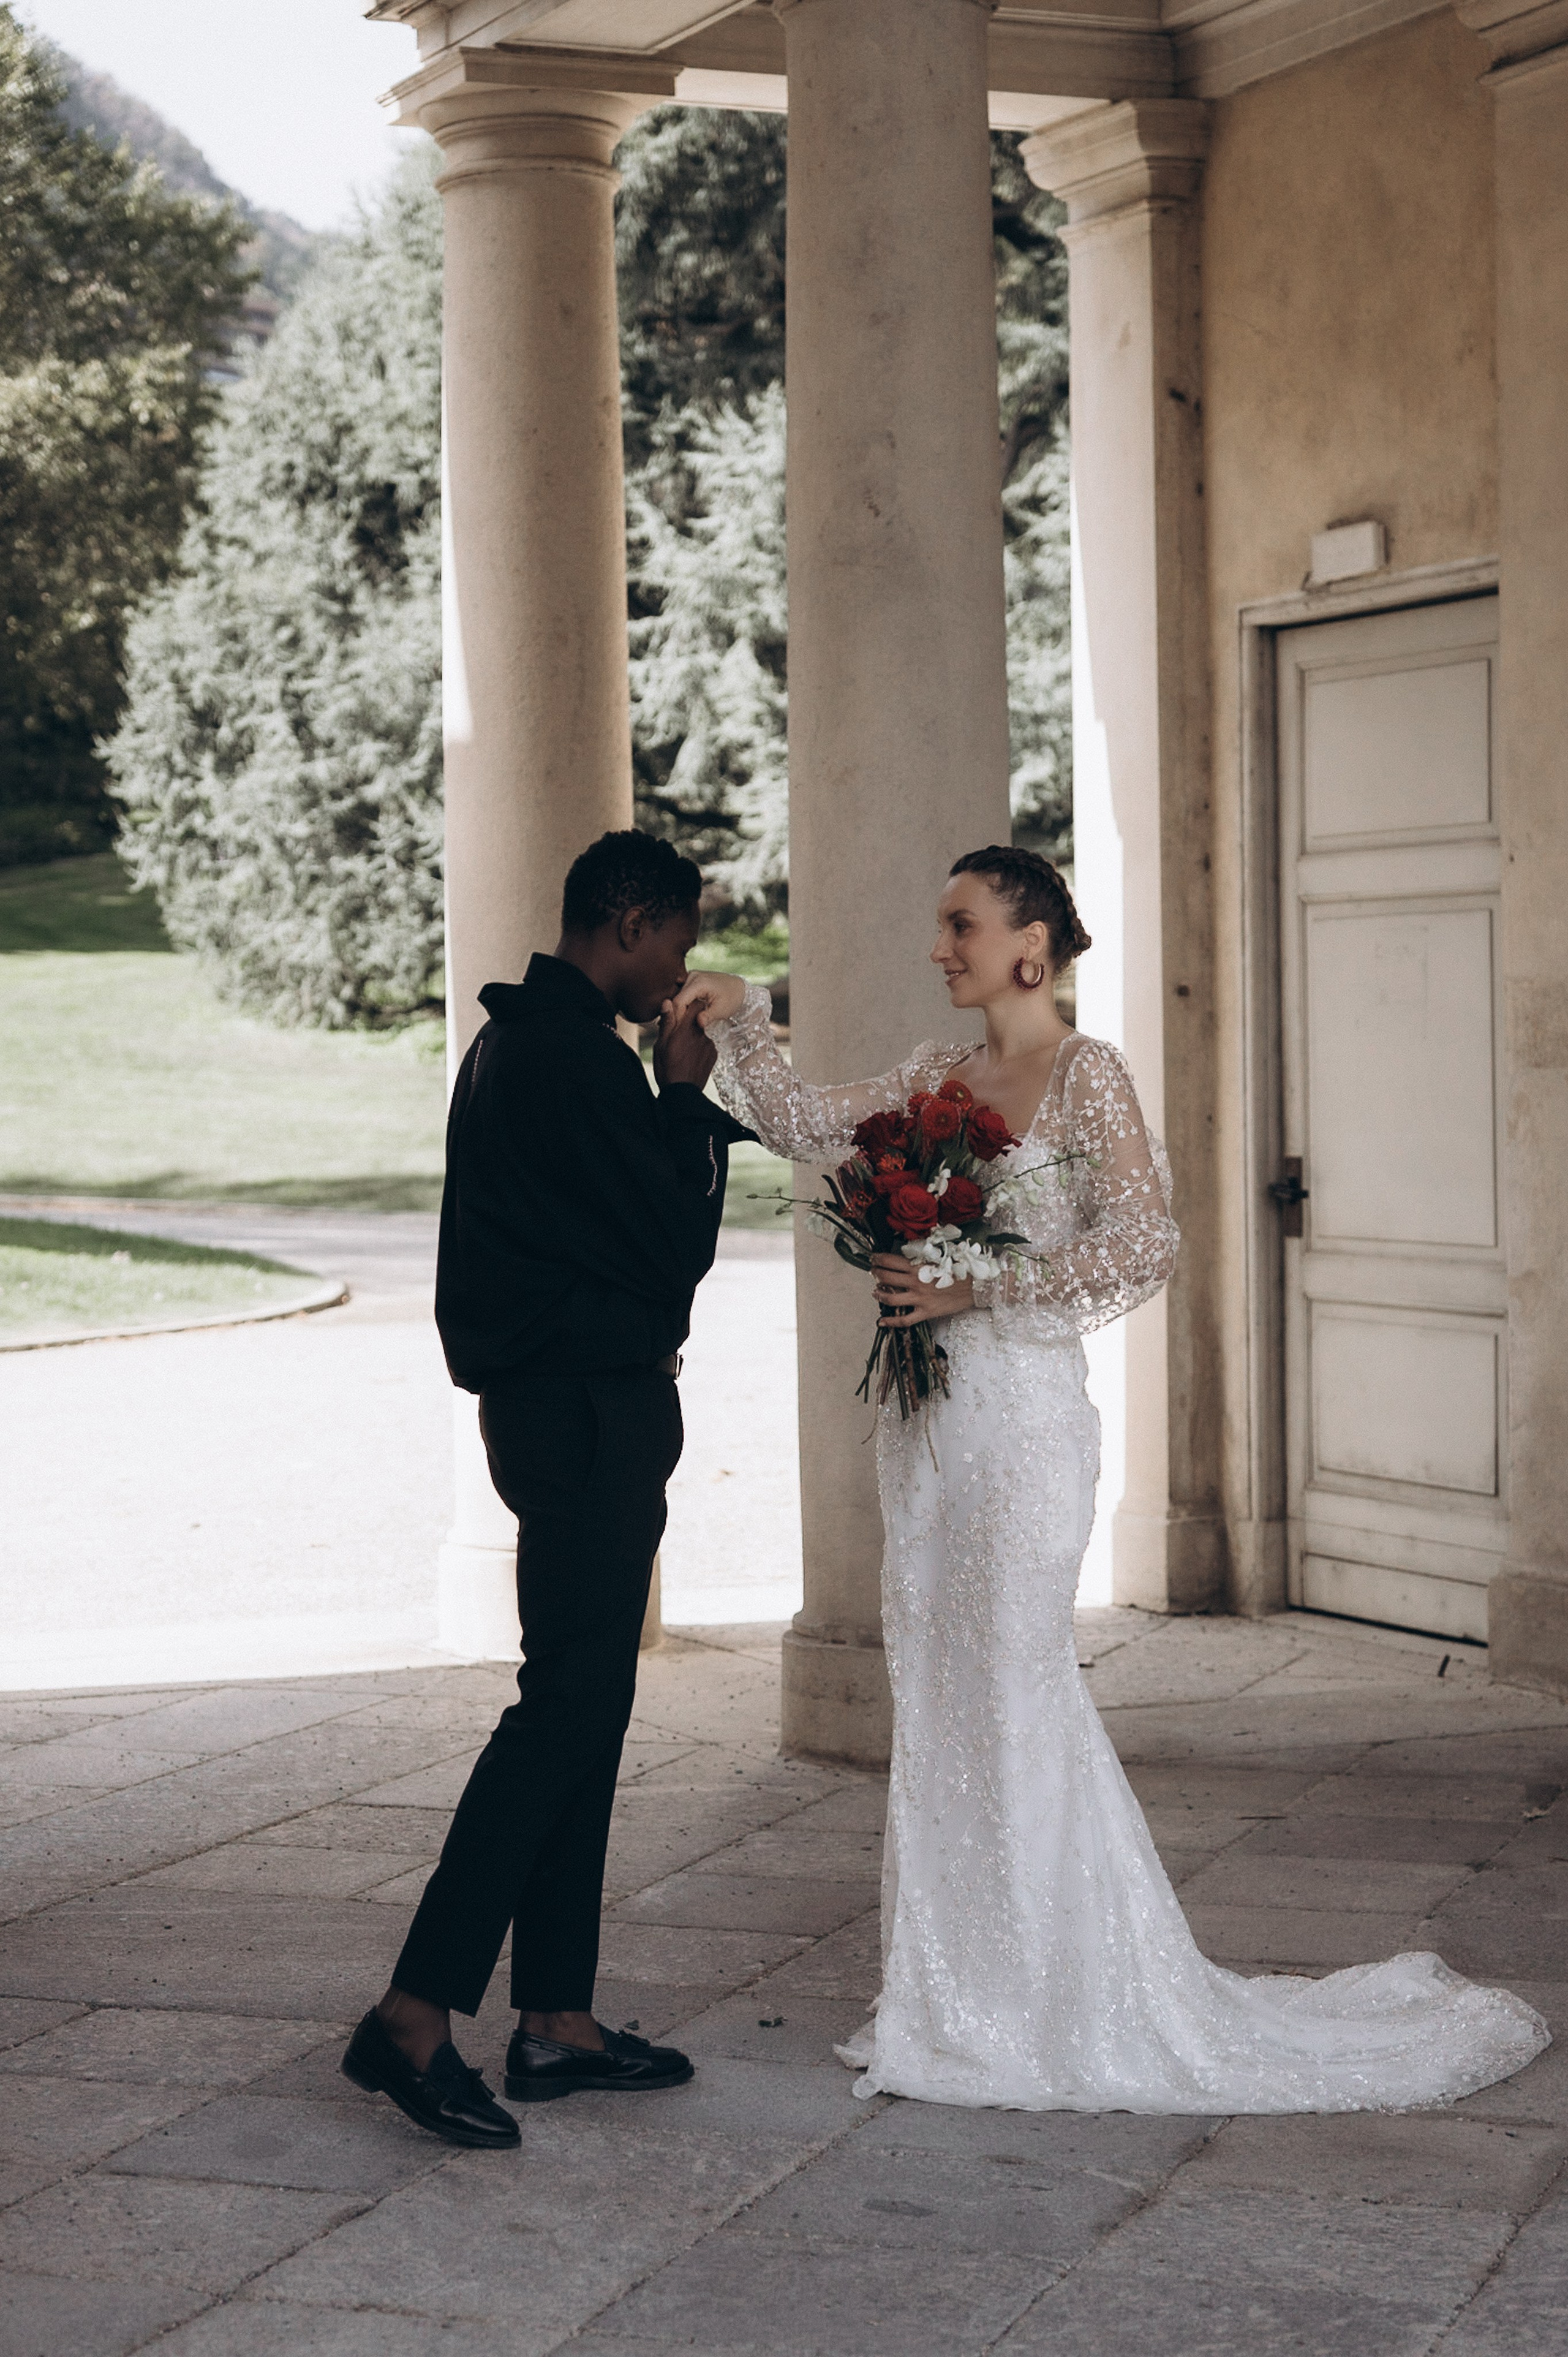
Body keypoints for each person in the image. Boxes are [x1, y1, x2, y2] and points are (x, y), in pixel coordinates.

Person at [677, 843, 1548, 2113]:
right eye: (940, 926)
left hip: (1023, 1427)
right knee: (938, 1689)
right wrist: (745, 1012)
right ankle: (956, 1999)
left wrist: (978, 1283)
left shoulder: (1088, 1077)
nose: (940, 949)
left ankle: (1064, 1999)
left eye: (959, 926)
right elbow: (810, 1125)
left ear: (1029, 946)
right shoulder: (932, 1075)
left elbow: (1144, 1244)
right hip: (926, 1429)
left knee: (1015, 1685)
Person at [343, 831, 752, 2148]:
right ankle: (415, 2013)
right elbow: (673, 1245)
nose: (680, 969)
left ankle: (558, 2022)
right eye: (676, 940)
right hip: (582, 1415)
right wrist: (685, 1093)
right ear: (628, 921)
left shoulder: (514, 1042)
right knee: (562, 1709)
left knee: (588, 1706)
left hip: (565, 1411)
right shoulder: (575, 1057)